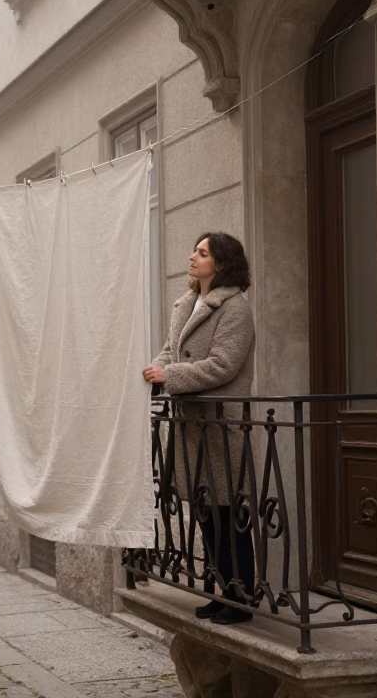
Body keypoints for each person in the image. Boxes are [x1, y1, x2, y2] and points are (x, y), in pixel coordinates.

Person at [142, 231, 256, 625]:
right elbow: (170, 350)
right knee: (206, 513)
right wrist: (155, 370)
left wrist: (169, 376)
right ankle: (224, 590)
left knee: (228, 515)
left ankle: (242, 598)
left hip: (220, 427)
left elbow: (224, 364)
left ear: (221, 263)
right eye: (195, 250)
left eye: (202, 252)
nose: (192, 256)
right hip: (192, 426)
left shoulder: (235, 308)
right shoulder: (187, 303)